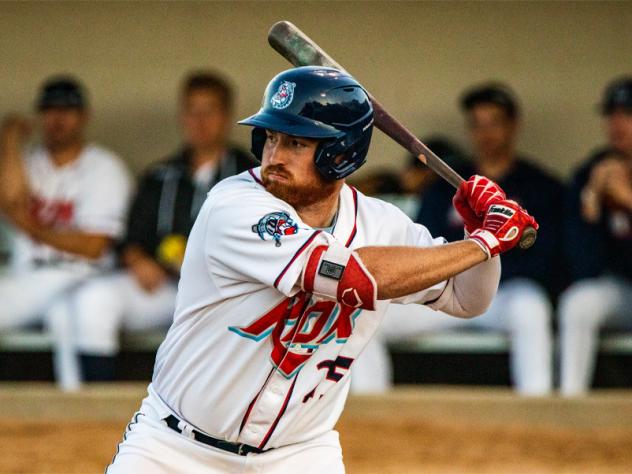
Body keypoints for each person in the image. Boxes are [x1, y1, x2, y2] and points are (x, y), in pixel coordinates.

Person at [106, 66, 537, 473]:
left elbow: (468, 298)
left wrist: (482, 238)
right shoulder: (235, 205)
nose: (274, 156)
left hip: (298, 453)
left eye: (296, 143)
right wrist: (483, 242)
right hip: (176, 449)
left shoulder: (381, 224)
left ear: (340, 154)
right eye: (271, 138)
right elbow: (349, 277)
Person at [353, 83, 563, 396]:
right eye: (478, 125)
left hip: (507, 296)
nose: (486, 133)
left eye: (494, 123)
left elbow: (549, 257)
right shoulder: (448, 183)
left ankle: (537, 410)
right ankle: (377, 413)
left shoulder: (538, 185)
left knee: (531, 308)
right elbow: (419, 245)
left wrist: (491, 276)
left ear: (512, 125)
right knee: (365, 316)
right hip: (446, 293)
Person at [66, 70, 257, 382]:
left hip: (224, 295)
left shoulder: (251, 175)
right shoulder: (160, 176)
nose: (200, 120)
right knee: (94, 299)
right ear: (182, 116)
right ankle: (96, 406)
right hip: (164, 289)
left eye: (209, 111)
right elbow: (130, 238)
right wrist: (138, 260)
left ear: (227, 116)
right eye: (192, 111)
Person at [0, 76, 132, 388]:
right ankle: (81, 414)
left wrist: (30, 225)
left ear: (83, 116)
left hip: (80, 276)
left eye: (67, 110)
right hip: (28, 277)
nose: (58, 118)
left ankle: (84, 422)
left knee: (77, 315)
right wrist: (9, 141)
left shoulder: (104, 167)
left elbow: (92, 246)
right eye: (50, 110)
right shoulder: (29, 162)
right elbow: (9, 202)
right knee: (63, 318)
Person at [559, 77, 632, 396]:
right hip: (620, 291)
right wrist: (592, 207)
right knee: (579, 303)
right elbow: (582, 267)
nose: (617, 123)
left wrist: (627, 199)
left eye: (628, 114)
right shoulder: (592, 171)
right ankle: (570, 409)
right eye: (611, 114)